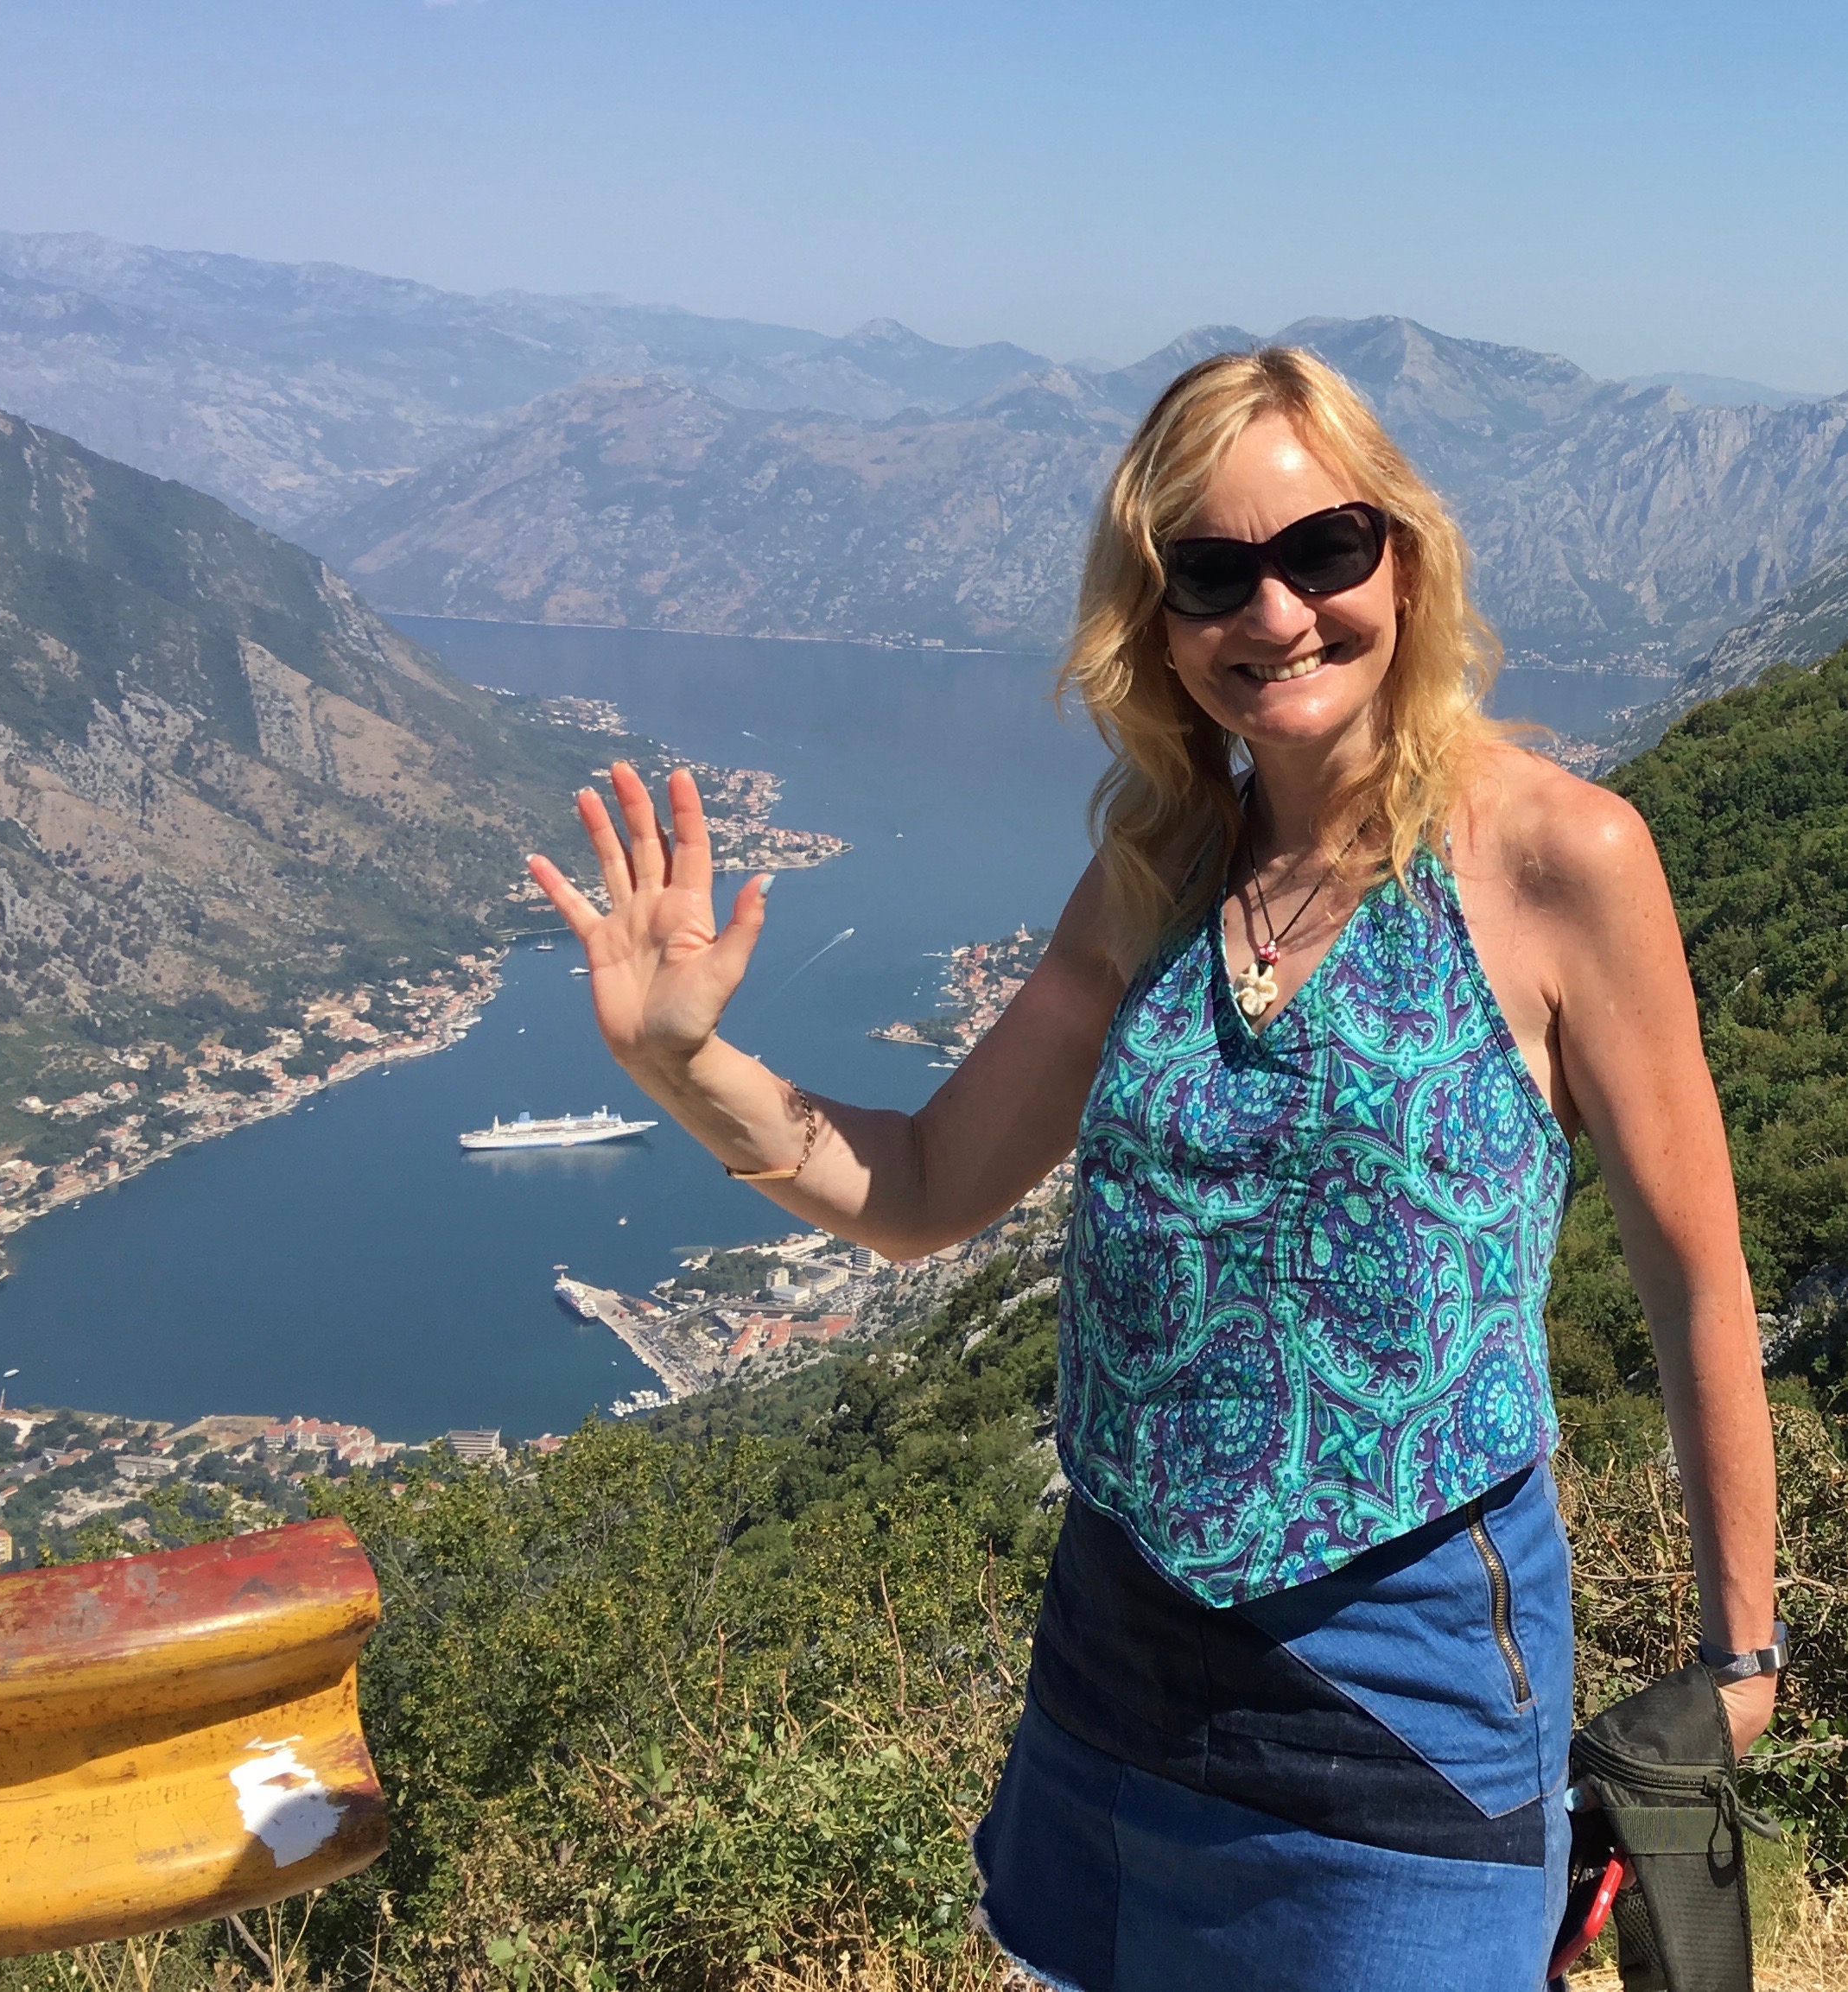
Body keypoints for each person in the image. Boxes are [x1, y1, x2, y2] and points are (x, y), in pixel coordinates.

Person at [525, 346, 1781, 1990]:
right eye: (1211, 572)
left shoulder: (1558, 860)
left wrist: (1739, 1654)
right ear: (1159, 616)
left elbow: (1695, 1277)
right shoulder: (1155, 871)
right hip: (1114, 1667)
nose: (1276, 612)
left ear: (1402, 560)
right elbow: (921, 1186)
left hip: (1403, 1695)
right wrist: (682, 1064)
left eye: (1323, 550)